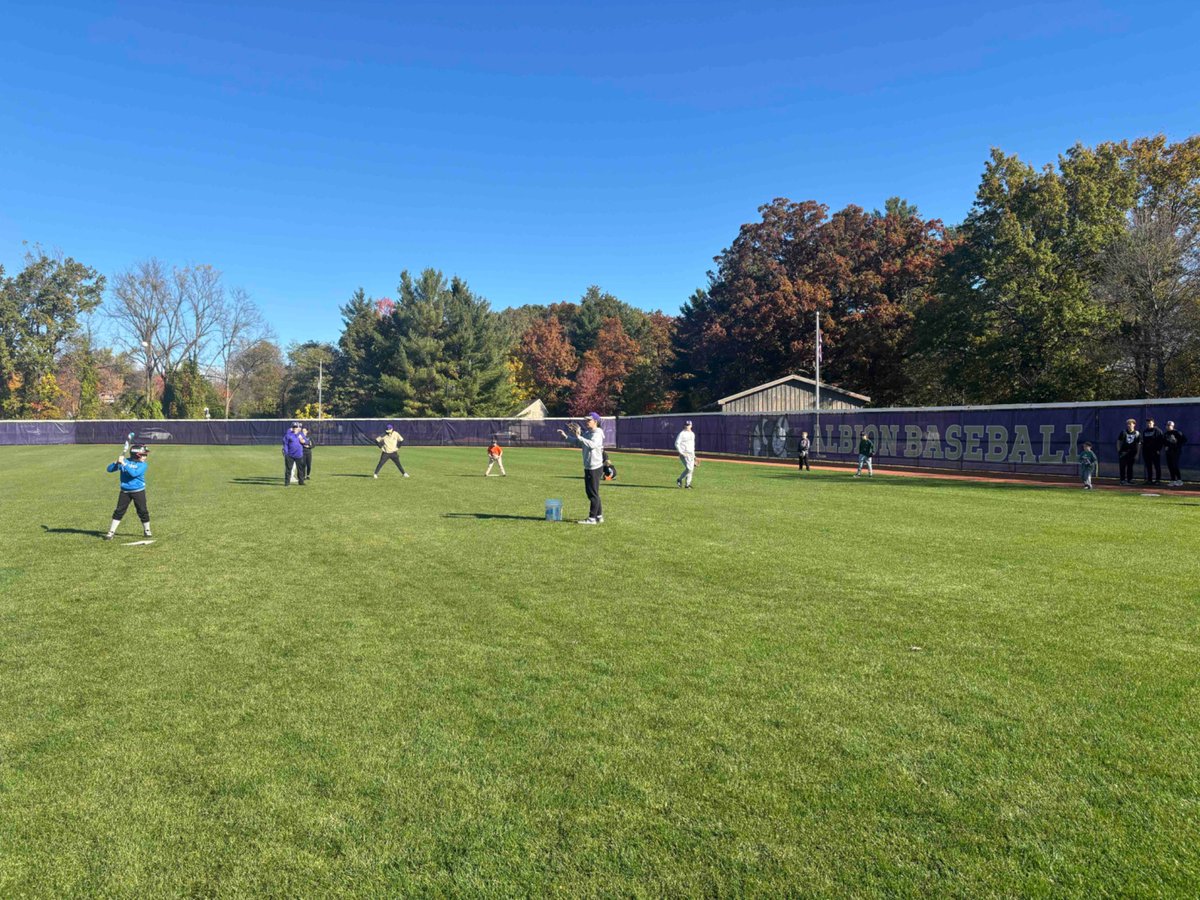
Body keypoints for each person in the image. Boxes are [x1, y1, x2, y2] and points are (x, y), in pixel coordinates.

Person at [557, 412, 605, 524]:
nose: (586, 422)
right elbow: (579, 443)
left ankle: (592, 519)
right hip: (589, 466)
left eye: (589, 420)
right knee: (593, 493)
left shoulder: (597, 433)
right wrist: (566, 437)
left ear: (595, 422)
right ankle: (599, 516)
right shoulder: (588, 432)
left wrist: (579, 436)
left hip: (595, 467)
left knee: (592, 494)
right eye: (586, 420)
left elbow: (592, 445)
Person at [103, 444, 152, 540]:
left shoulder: (143, 465)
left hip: (138, 491)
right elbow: (109, 469)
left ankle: (147, 530)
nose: (145, 457)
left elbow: (134, 474)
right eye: (143, 455)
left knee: (142, 511)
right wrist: (117, 463)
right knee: (119, 511)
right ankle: (111, 532)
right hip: (125, 491)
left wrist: (124, 464)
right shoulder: (125, 461)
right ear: (136, 455)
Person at [1116, 418, 1140, 485]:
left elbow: (1139, 444)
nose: (1129, 425)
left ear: (1134, 424)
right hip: (1123, 452)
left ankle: (1130, 480)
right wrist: (1119, 450)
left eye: (1130, 424)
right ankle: (1122, 480)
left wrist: (1137, 454)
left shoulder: (1137, 433)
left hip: (1132, 453)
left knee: (1130, 467)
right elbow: (1118, 441)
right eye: (1128, 424)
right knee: (1122, 466)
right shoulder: (1123, 432)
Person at [1164, 420, 1187, 487]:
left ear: (1172, 426)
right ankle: (1173, 480)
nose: (1167, 426)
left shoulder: (1177, 432)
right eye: (1167, 425)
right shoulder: (1166, 434)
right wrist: (1166, 446)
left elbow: (1184, 440)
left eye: (1169, 425)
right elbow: (1165, 442)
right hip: (1168, 452)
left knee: (1175, 465)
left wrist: (1177, 445)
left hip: (1176, 452)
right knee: (1170, 466)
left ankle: (1179, 480)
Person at [1142, 418, 1165, 485]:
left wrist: (1158, 450)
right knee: (1148, 466)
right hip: (1146, 452)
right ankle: (1149, 480)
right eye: (1147, 423)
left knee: (1156, 466)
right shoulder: (1145, 431)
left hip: (1155, 452)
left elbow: (1161, 441)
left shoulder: (1157, 430)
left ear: (1153, 423)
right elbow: (1144, 441)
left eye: (1150, 423)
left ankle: (1158, 480)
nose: (1148, 424)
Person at [283, 421, 306, 486]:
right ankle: (287, 482)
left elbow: (306, 441)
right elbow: (285, 444)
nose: (295, 428)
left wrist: (303, 441)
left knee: (300, 469)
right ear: (292, 428)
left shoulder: (301, 434)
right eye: (294, 427)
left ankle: (301, 482)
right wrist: (286, 453)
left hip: (299, 455)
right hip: (290, 455)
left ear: (298, 427)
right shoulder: (288, 435)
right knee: (288, 469)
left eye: (296, 427)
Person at [675, 419, 696, 488]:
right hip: (684, 454)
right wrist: (681, 452)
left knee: (691, 470)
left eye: (688, 425)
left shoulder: (692, 434)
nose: (687, 426)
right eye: (686, 425)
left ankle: (687, 484)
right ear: (684, 425)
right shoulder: (682, 433)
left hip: (691, 454)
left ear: (691, 426)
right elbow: (676, 443)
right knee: (689, 469)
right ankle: (679, 479)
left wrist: (694, 456)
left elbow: (692, 445)